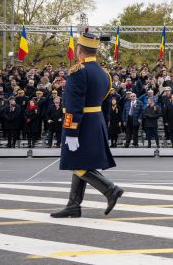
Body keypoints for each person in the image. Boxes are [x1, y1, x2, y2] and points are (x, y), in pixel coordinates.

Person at [51, 32, 123, 219]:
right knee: (80, 162)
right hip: (96, 121)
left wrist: (71, 131)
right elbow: (106, 104)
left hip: (80, 124)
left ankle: (110, 189)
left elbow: (73, 106)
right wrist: (103, 126)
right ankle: (73, 205)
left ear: (80, 50)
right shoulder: (104, 74)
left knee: (75, 163)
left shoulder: (78, 72)